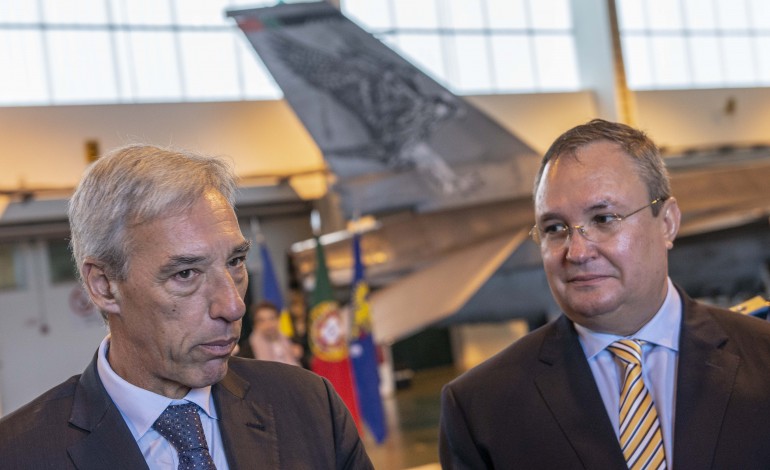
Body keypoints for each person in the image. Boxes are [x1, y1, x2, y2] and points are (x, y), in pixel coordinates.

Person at [0, 144, 372, 469]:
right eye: (185, 274)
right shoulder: (17, 455)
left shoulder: (309, 406)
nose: (233, 306)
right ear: (104, 286)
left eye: (235, 262)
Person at [439, 119, 770, 469]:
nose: (577, 252)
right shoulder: (479, 408)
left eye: (604, 219)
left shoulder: (762, 358)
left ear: (667, 223)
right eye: (555, 228)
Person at [249, 301, 302, 366]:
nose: (268, 324)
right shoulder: (249, 350)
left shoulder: (291, 340)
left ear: (278, 320)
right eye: (262, 320)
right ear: (255, 324)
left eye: (272, 318)